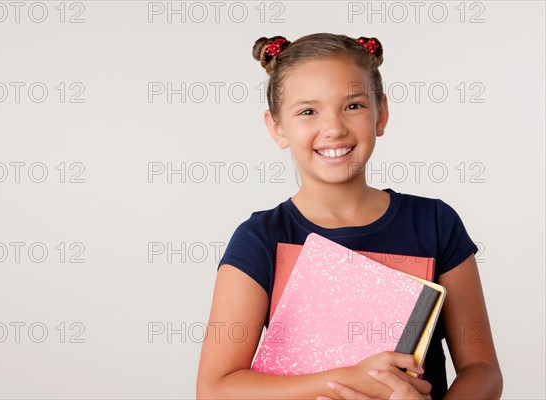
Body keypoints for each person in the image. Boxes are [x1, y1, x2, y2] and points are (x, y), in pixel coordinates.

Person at [196, 33, 502, 400]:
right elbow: (215, 389)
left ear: (381, 114)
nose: (334, 128)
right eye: (308, 111)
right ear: (277, 127)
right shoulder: (260, 238)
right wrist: (347, 380)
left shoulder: (435, 223)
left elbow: (482, 370)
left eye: (353, 106)